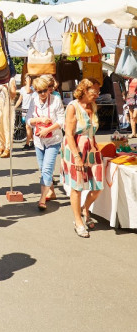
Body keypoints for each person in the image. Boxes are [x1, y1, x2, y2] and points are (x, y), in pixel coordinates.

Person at [62, 78, 103, 238]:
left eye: (98, 91)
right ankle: (78, 221)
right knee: (77, 186)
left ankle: (85, 209)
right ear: (84, 90)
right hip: (76, 149)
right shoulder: (73, 107)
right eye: (95, 91)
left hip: (92, 148)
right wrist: (77, 157)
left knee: (98, 186)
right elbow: (69, 134)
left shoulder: (93, 106)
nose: (97, 94)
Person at [28, 75, 65, 211]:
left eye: (45, 90)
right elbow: (28, 120)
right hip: (38, 140)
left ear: (49, 89)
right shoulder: (33, 100)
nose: (43, 94)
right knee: (42, 168)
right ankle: (52, 192)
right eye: (40, 91)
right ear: (36, 91)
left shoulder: (56, 100)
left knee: (47, 169)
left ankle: (42, 199)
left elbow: (61, 120)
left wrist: (48, 128)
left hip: (53, 139)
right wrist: (39, 120)